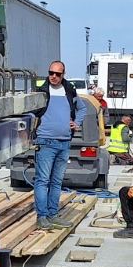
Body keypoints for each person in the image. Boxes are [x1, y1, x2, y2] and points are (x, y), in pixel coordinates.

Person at [28, 60, 80, 230]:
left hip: (64, 143)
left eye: (58, 74)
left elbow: (83, 109)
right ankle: (42, 217)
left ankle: (53, 214)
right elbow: (29, 111)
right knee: (43, 180)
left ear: (63, 74)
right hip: (46, 142)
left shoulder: (69, 91)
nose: (54, 77)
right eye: (51, 73)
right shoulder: (41, 91)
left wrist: (76, 122)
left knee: (56, 181)